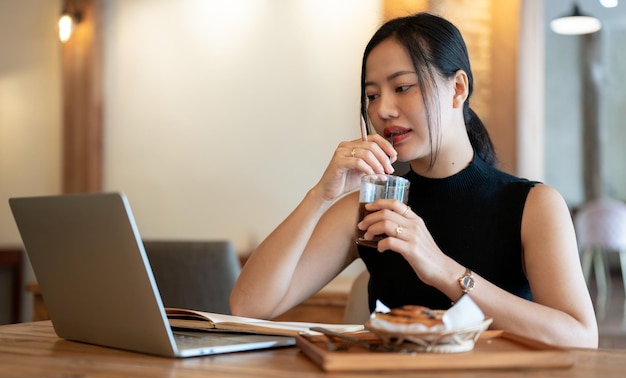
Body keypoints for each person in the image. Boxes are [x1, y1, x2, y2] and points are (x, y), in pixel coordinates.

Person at [230, 13, 598, 348]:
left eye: (402, 87)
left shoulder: (533, 205)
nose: (382, 109)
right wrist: (320, 195)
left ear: (457, 89)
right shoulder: (371, 208)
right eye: (372, 95)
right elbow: (248, 305)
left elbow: (581, 338)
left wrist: (441, 269)